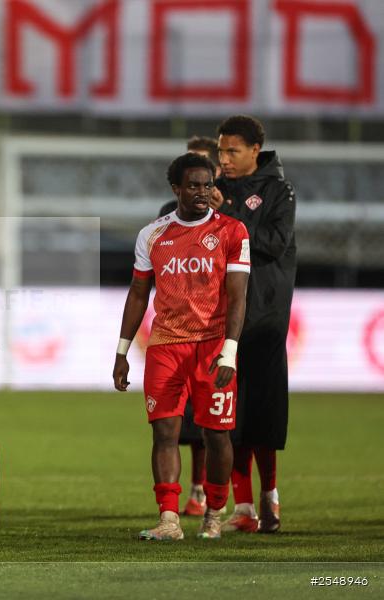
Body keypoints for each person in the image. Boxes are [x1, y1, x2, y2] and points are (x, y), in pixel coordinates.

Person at [113, 153, 250, 540]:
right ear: (176, 189)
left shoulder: (232, 231)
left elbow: (238, 297)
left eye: (208, 185)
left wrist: (229, 351)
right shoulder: (152, 235)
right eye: (193, 186)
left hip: (212, 347)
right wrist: (122, 351)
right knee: (164, 433)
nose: (202, 193)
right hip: (166, 346)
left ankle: (214, 513)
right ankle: (169, 519)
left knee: (217, 435)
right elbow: (138, 292)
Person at [215, 115, 297, 534]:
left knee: (263, 414)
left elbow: (273, 243)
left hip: (264, 316)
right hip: (222, 317)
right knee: (229, 415)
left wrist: (227, 212)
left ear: (254, 150)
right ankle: (243, 506)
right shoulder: (216, 188)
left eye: (232, 151)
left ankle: (270, 498)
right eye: (220, 151)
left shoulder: (278, 191)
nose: (224, 159)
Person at [156, 135, 223, 516]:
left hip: (211, 334)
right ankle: (173, 504)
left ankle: (204, 493)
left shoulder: (228, 222)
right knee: (170, 424)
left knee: (209, 423)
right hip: (175, 332)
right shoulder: (165, 218)